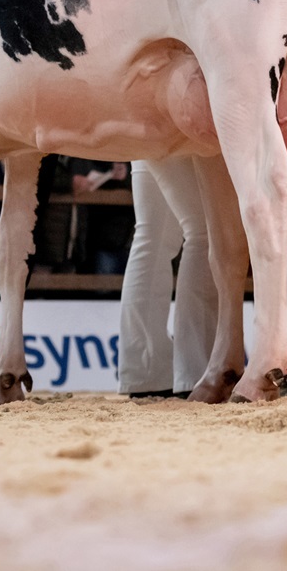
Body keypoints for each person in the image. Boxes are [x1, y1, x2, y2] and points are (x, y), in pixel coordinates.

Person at [117, 158, 216, 398]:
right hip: (177, 132)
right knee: (203, 232)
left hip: (141, 131)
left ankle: (145, 373)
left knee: (151, 235)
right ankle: (197, 371)